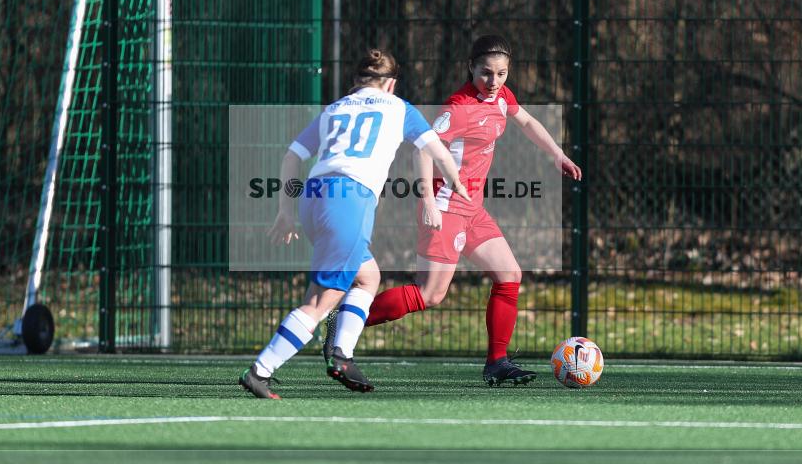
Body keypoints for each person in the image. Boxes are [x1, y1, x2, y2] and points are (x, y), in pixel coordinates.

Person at [326, 35, 582, 386]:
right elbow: (423, 149)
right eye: (486, 74)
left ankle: (497, 362)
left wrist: (558, 154)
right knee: (430, 293)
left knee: (509, 275)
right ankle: (346, 319)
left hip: (472, 208)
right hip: (445, 206)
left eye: (502, 74)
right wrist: (428, 200)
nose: (494, 82)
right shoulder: (457, 107)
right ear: (470, 68)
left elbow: (527, 122)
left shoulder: (501, 96)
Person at [240, 48, 469, 399]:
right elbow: (436, 150)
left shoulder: (335, 108)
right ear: (390, 84)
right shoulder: (399, 108)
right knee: (320, 302)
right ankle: (261, 370)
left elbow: (292, 156)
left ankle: (342, 355)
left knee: (368, 277)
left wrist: (285, 210)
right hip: (348, 201)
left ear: (355, 82)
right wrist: (456, 183)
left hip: (312, 198)